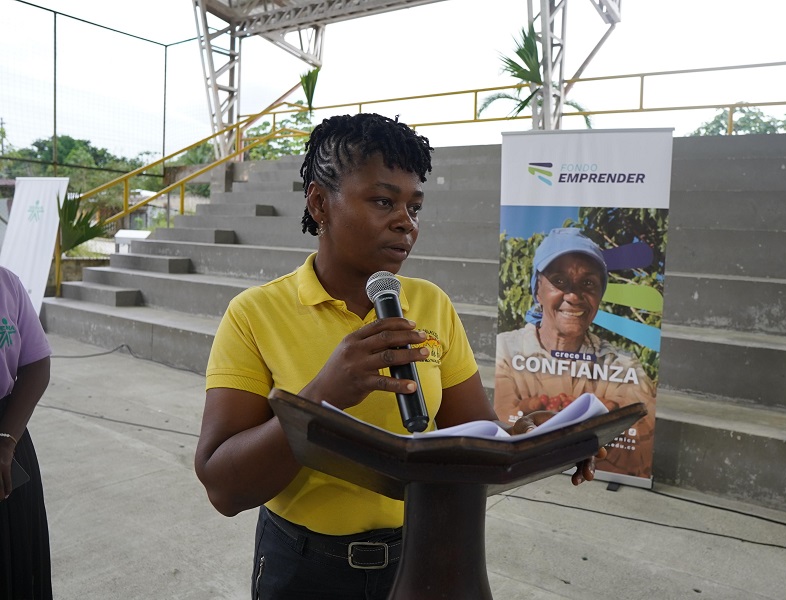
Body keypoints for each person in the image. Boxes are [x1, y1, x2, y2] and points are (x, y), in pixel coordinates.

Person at [194, 113, 604, 600]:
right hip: (303, 566)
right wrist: (323, 395)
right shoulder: (254, 314)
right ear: (320, 203)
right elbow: (223, 488)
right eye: (383, 201)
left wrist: (538, 440)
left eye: (415, 207)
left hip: (424, 554)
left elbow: (474, 438)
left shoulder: (432, 304)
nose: (405, 222)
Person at [494, 227, 657, 479]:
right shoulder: (506, 350)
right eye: (559, 281)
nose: (573, 295)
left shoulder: (622, 365)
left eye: (588, 283)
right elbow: (503, 428)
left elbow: (640, 448)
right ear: (537, 290)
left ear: (599, 296)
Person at [0, 266, 53, 599]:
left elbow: (36, 364)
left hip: (8, 436)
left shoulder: (7, 284)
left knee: (17, 561)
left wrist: (6, 442)